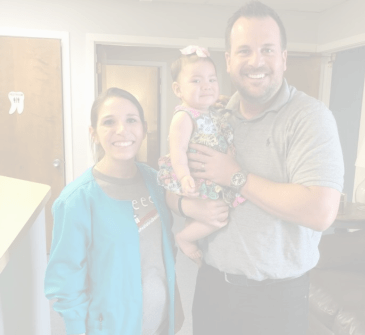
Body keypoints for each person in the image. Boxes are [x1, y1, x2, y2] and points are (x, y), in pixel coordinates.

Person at [166, 1, 344, 334]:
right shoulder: (214, 117)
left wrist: (234, 175)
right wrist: (188, 204)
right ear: (229, 61)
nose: (257, 61)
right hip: (211, 286)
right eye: (244, 51)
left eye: (267, 50)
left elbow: (320, 211)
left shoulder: (310, 118)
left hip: (276, 299)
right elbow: (173, 188)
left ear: (284, 57)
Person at [44, 87, 183, 335]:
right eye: (109, 122)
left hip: (162, 323)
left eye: (131, 120)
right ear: (94, 134)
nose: (122, 129)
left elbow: (163, 251)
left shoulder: (155, 182)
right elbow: (66, 281)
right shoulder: (76, 200)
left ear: (143, 128)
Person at [158, 45, 245, 267]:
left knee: (215, 213)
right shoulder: (184, 117)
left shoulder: (211, 111)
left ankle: (191, 230)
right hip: (196, 176)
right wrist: (184, 176)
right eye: (196, 81)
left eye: (212, 80)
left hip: (214, 172)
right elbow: (177, 151)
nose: (206, 86)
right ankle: (185, 237)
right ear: (178, 90)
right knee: (220, 215)